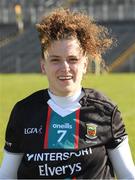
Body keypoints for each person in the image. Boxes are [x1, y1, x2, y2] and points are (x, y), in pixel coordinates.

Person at [0, 8, 135, 179]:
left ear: (85, 64)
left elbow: (129, 176)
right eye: (55, 60)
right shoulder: (24, 112)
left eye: (73, 59)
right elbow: (6, 176)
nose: (65, 68)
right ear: (43, 65)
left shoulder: (105, 112)